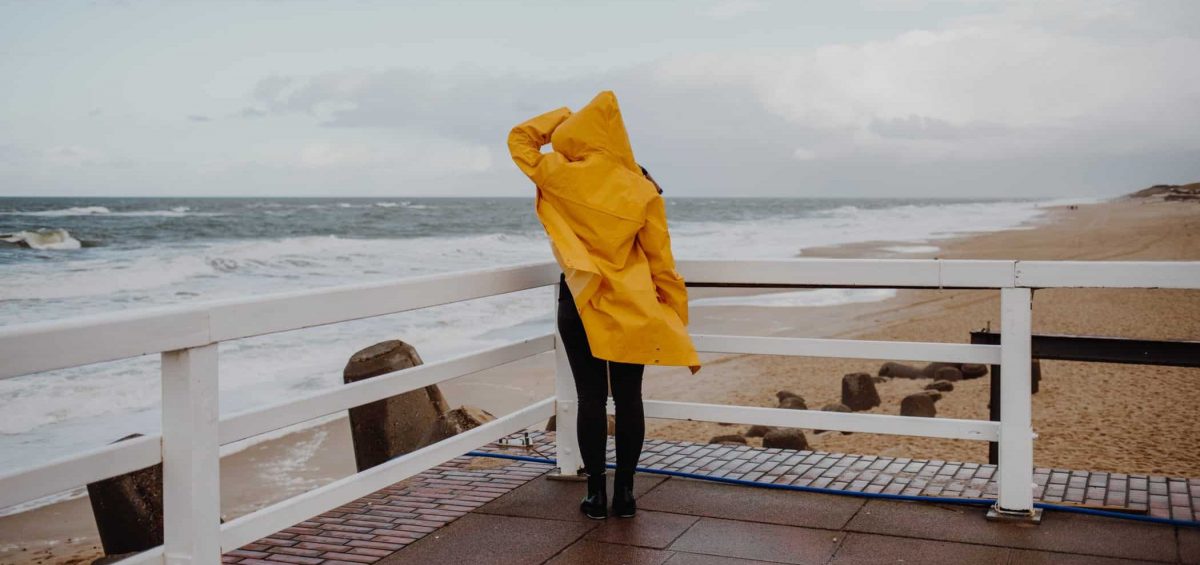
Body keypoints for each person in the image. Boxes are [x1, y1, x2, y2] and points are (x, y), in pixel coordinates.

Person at [508, 91, 701, 520]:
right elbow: (662, 262)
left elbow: (520, 139)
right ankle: (626, 494)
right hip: (631, 306)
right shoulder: (642, 188)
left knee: (590, 398)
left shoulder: (558, 173)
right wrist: (674, 313)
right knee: (629, 398)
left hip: (579, 299)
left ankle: (595, 494)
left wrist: (561, 117)